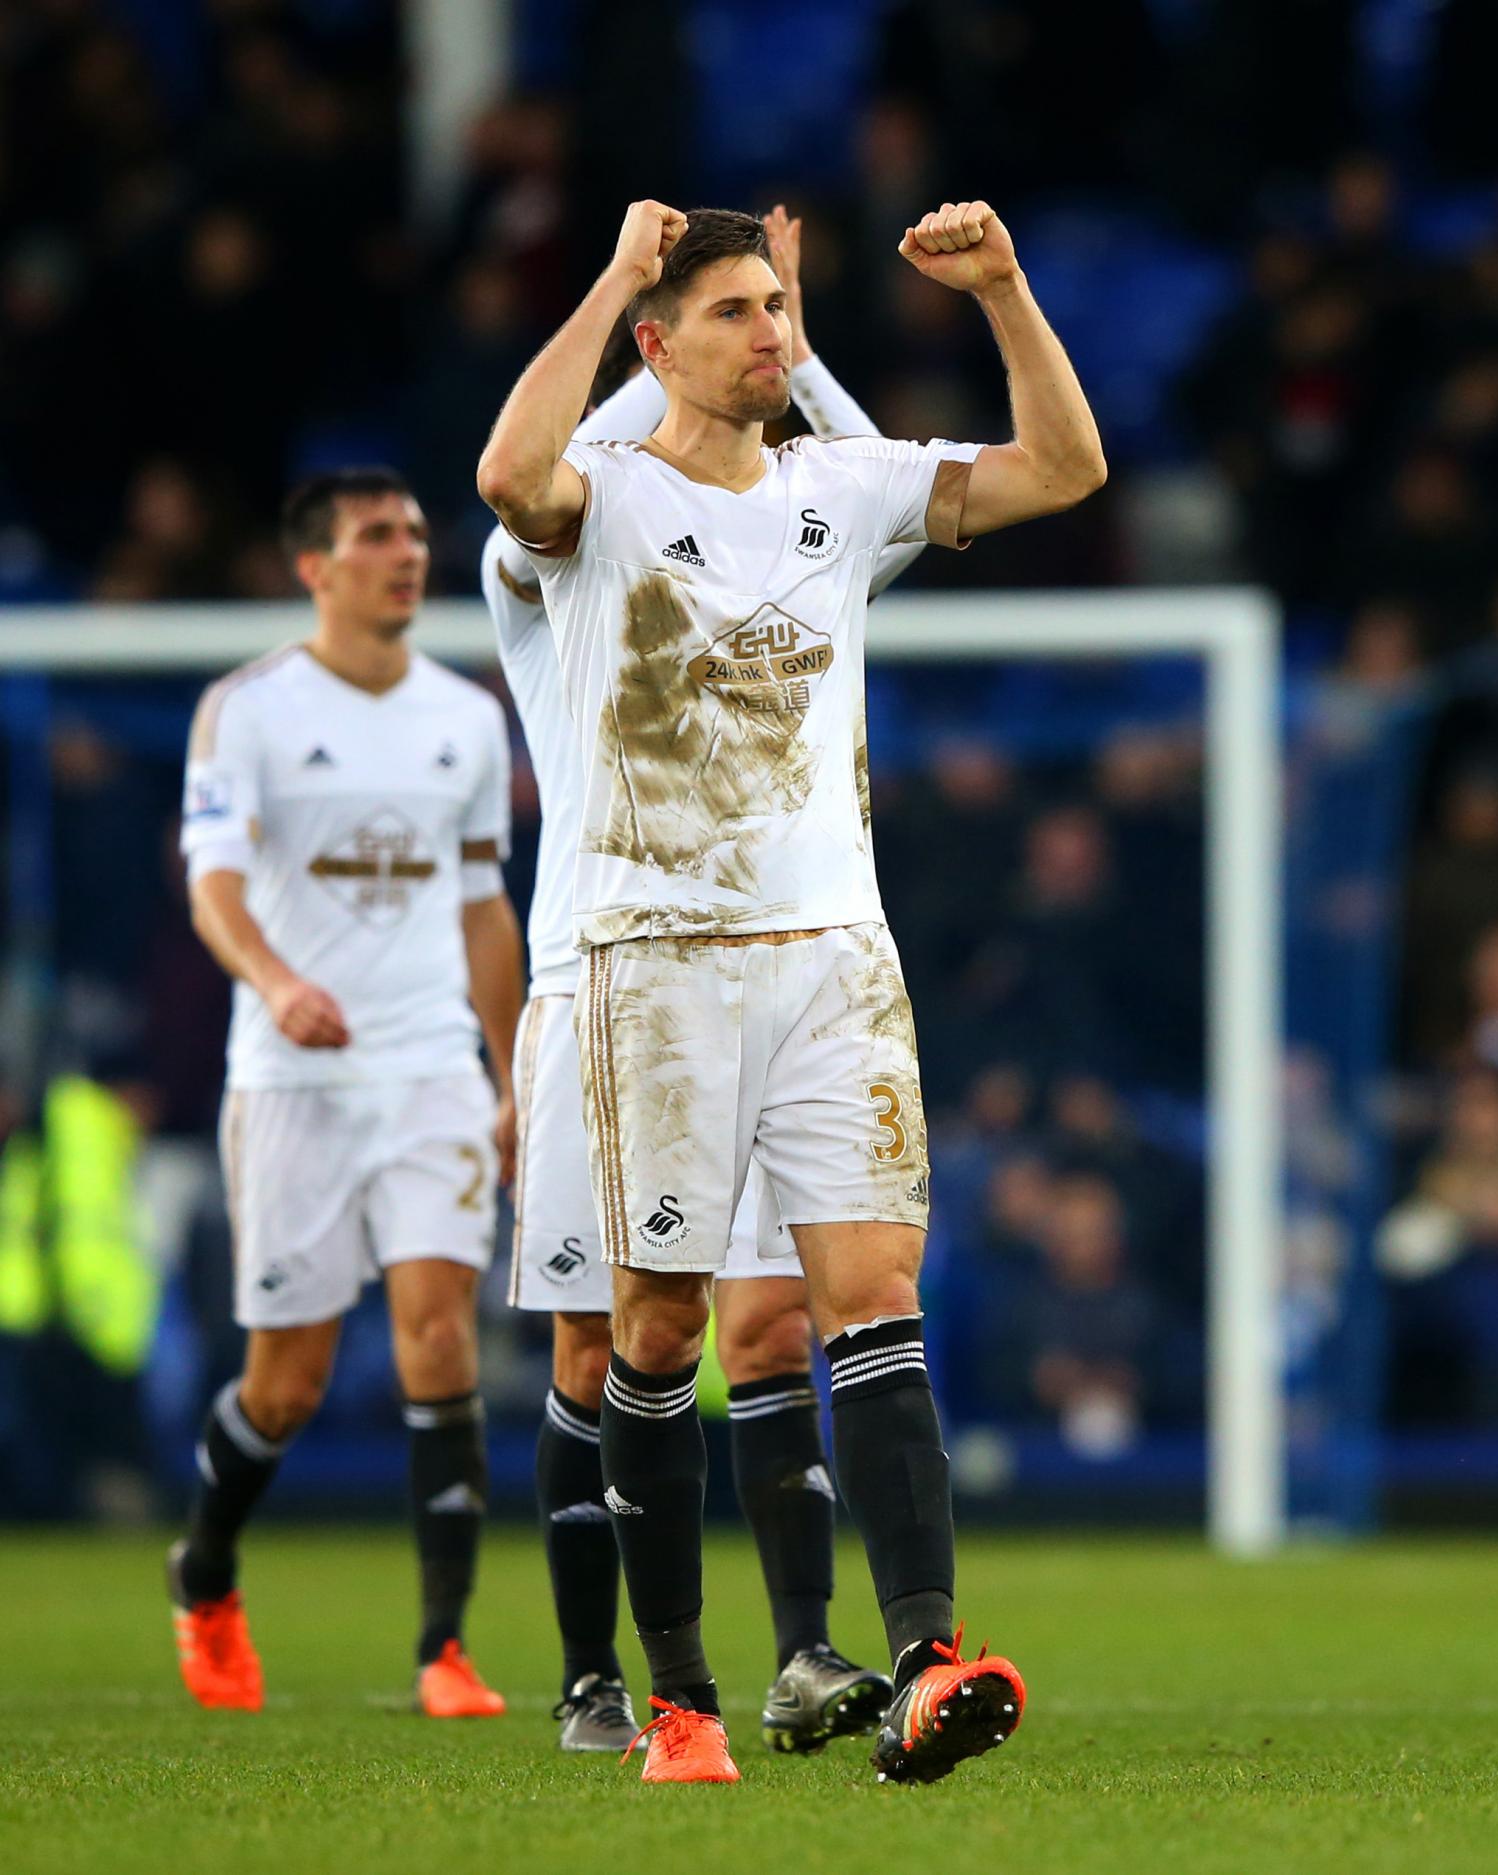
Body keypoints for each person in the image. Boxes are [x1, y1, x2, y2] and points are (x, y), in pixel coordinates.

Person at [476, 198, 1105, 1784]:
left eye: (778, 304)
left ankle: (925, 1658)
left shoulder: (848, 484)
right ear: (657, 343)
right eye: (739, 312)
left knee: (872, 1299)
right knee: (660, 1324)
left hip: (836, 956)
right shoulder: (600, 501)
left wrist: (1009, 294)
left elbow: (1064, 471)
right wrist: (615, 262)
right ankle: (678, 1698)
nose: (773, 332)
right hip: (657, 957)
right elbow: (505, 475)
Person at [486, 206, 911, 1756]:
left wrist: (786, 311)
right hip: (594, 978)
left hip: (765, 962)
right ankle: (602, 1669)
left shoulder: (756, 502)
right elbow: (564, 455)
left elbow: (837, 478)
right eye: (728, 318)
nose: (766, 341)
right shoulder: (562, 535)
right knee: (607, 1341)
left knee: (776, 1322)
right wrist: (640, 286)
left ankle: (803, 1650)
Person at [171, 468, 526, 1720]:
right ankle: (205, 1569)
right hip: (292, 1075)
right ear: (313, 567)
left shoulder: (468, 719)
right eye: (377, 536)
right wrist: (270, 980)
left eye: (418, 534)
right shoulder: (247, 711)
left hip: (430, 1063)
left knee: (440, 1336)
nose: (408, 554)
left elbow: (483, 904)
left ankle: (445, 1648)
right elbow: (213, 878)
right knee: (290, 1385)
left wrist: (510, 1061)